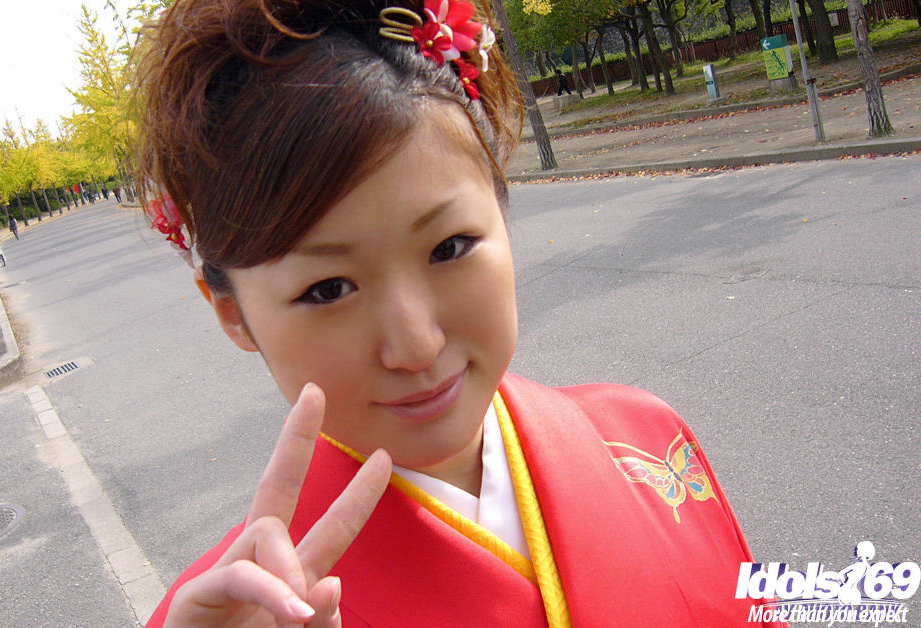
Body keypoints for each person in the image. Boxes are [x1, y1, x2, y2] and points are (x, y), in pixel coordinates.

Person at [135, 1, 783, 626]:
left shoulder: (647, 438)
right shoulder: (227, 619)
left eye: (449, 247)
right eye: (328, 289)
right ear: (233, 314)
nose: (417, 345)